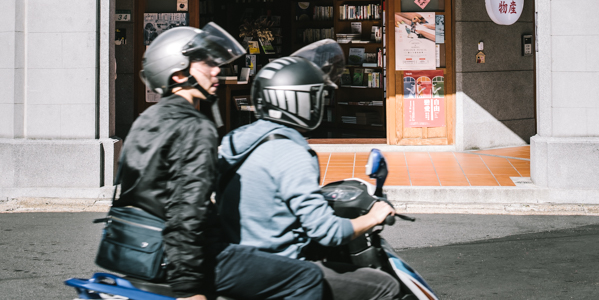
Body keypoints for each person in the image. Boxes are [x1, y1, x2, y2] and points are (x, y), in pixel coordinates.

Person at [115, 23, 324, 300]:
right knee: (306, 276)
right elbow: (185, 212)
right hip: (187, 258)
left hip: (137, 249)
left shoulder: (147, 119)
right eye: (205, 63)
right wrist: (190, 289)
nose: (216, 70)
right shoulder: (194, 127)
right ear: (178, 74)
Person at [218, 45, 400, 300]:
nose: (321, 102)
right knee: (384, 286)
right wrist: (374, 216)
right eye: (316, 96)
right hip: (282, 267)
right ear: (298, 101)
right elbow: (328, 231)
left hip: (241, 263)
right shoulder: (290, 151)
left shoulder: (236, 140)